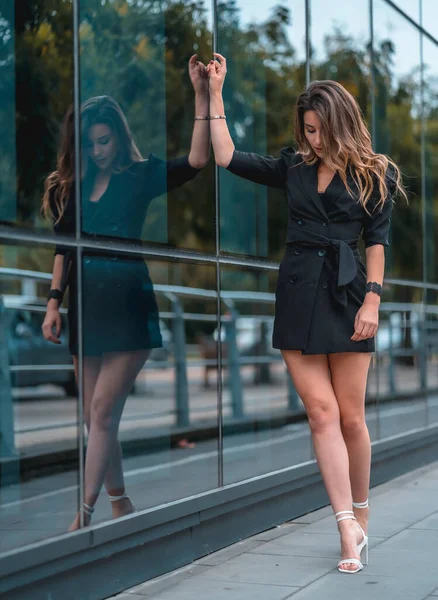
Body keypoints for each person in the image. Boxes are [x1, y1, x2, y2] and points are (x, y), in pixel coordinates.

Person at [207, 53, 406, 574]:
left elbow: (378, 244)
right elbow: (227, 156)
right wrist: (214, 93)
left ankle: (362, 513)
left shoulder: (374, 174)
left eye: (317, 129)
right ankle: (344, 525)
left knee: (351, 417)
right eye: (306, 130)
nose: (311, 139)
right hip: (297, 294)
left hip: (348, 296)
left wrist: (373, 299)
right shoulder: (293, 167)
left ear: (337, 123)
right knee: (320, 414)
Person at [41, 55, 210, 531]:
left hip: (129, 306)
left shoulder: (137, 178)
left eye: (104, 140)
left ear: (118, 136)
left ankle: (85, 514)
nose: (96, 151)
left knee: (100, 410)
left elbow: (196, 161)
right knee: (95, 420)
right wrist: (53, 303)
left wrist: (201, 95)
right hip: (87, 309)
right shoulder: (74, 188)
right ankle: (120, 503)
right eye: (89, 143)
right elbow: (63, 248)